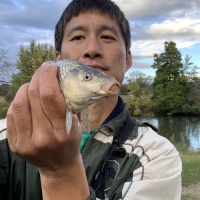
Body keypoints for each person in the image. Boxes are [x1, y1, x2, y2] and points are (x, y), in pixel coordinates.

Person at [0, 0, 182, 199]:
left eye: (107, 36)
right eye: (78, 36)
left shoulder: (155, 155)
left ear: (128, 60)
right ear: (58, 62)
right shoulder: (5, 136)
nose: (92, 48)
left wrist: (61, 172)